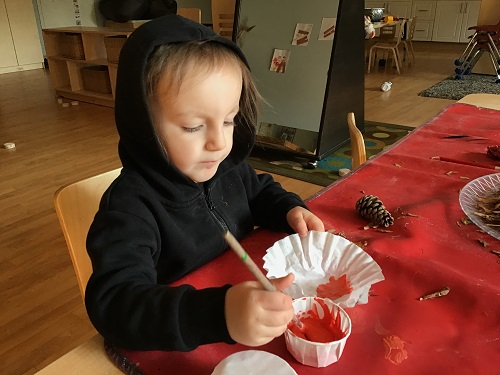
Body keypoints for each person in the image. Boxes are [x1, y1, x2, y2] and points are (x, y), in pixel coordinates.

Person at [85, 14, 325, 352]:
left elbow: (259, 191)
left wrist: (288, 209)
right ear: (143, 126)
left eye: (228, 121)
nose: (219, 143)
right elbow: (115, 304)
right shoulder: (130, 209)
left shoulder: (226, 168)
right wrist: (217, 314)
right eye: (194, 127)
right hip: (188, 337)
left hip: (251, 316)